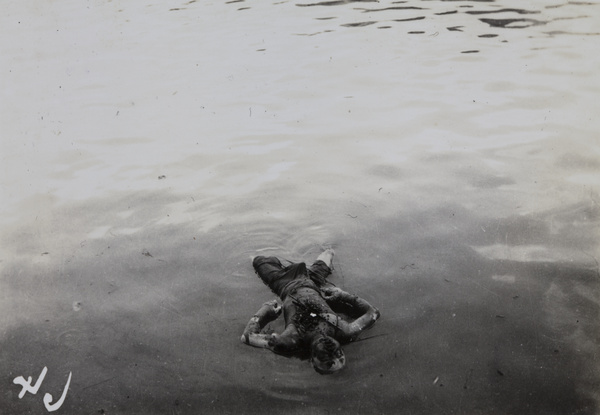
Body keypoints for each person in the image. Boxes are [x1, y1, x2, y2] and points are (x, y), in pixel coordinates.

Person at [240, 249, 380, 374]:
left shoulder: (290, 340)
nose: (333, 355)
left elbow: (247, 337)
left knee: (256, 259)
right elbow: (372, 313)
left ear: (312, 361)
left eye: (329, 362)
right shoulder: (345, 331)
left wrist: (267, 309)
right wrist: (341, 294)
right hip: (314, 282)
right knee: (329, 252)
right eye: (339, 356)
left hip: (285, 284)